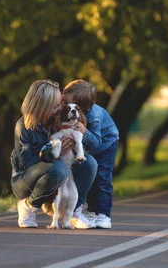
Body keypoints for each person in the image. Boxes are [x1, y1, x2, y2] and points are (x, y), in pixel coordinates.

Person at [10, 79, 98, 229]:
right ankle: (29, 205)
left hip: (56, 177)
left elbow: (95, 146)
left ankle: (74, 211)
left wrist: (84, 133)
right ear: (42, 107)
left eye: (61, 103)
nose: (61, 107)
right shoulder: (23, 127)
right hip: (26, 181)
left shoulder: (60, 119)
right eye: (57, 105)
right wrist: (52, 151)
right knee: (58, 169)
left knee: (89, 162)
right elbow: (27, 163)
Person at [62, 79, 119, 229]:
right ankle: (93, 211)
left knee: (103, 178)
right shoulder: (71, 110)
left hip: (107, 144)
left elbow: (96, 143)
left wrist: (84, 132)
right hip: (94, 145)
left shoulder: (95, 116)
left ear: (83, 107)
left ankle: (104, 214)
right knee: (92, 178)